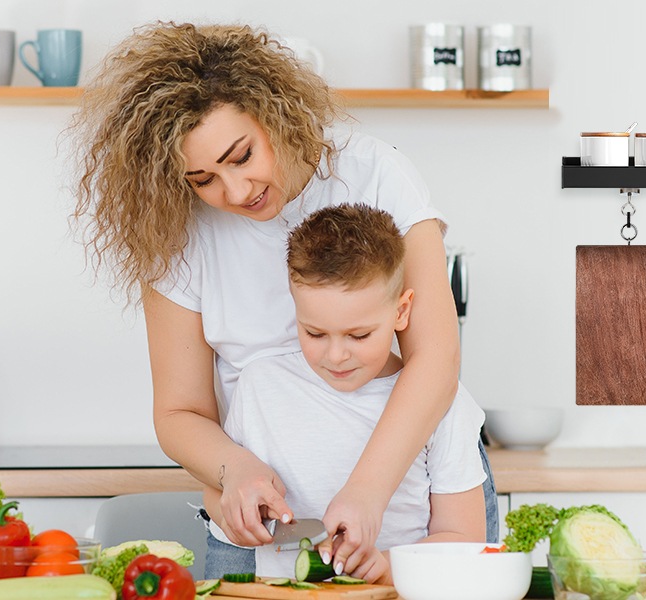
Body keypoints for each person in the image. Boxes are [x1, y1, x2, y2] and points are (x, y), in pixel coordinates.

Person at [68, 22, 495, 578]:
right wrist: (234, 470)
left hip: (405, 511)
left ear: (273, 113)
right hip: (263, 529)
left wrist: (366, 492)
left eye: (241, 156)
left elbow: (435, 360)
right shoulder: (176, 233)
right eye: (203, 179)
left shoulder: (374, 172)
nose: (236, 192)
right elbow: (178, 412)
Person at [226, 204, 486, 582]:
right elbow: (219, 494)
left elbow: (465, 541)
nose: (335, 355)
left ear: (401, 311)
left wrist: (388, 567)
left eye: (358, 335)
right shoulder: (260, 387)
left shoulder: (443, 404)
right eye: (314, 332)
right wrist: (235, 512)